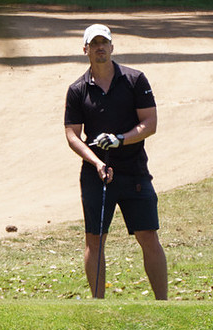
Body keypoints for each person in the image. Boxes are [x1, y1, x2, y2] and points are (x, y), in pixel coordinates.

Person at [63, 23, 166, 299]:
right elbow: (72, 135)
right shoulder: (78, 90)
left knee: (148, 235)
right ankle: (98, 305)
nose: (100, 47)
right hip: (96, 174)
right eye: (94, 43)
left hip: (134, 171)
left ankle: (164, 305)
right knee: (94, 239)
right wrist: (96, 162)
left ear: (111, 47)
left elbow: (150, 123)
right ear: (85, 50)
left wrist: (121, 139)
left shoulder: (135, 80)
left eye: (104, 43)